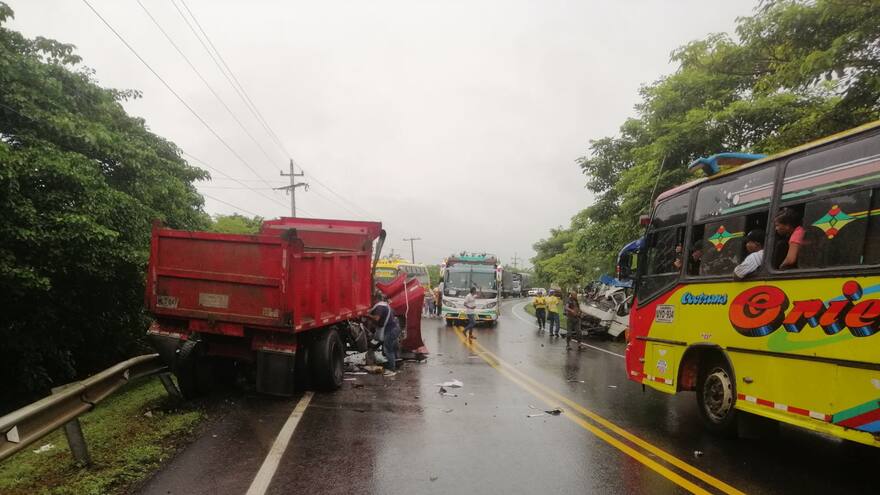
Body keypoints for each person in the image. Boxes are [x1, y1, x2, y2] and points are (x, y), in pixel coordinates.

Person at [367, 292, 400, 375]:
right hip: (395, 328)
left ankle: (392, 370)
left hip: (390, 330)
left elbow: (377, 318)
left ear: (376, 299)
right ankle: (396, 363)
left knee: (387, 349)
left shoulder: (379, 307)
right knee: (391, 347)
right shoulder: (386, 305)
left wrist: (367, 315)